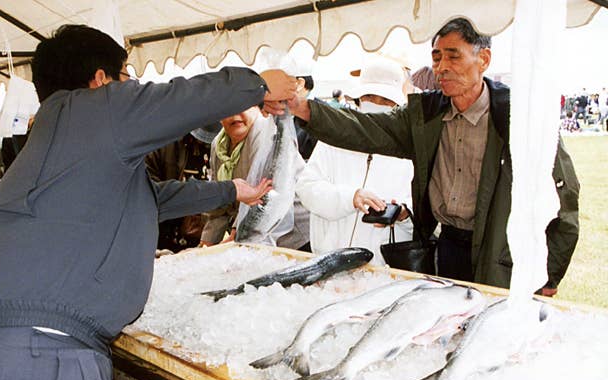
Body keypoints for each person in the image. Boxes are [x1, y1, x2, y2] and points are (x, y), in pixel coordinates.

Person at [0, 24, 296, 380]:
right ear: (102, 80)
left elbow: (148, 198)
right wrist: (259, 84)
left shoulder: (56, 136)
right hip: (47, 360)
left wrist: (230, 191)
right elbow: (184, 97)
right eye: (127, 78)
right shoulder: (92, 108)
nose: (131, 87)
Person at [275, 18, 579, 296]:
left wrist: (550, 276)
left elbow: (564, 196)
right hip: (443, 248)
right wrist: (304, 108)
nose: (442, 66)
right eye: (436, 57)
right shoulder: (426, 115)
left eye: (453, 55)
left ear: (483, 59)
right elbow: (366, 127)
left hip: (499, 251)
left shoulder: (520, 116)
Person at [296, 57, 414, 265]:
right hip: (327, 261)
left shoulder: (409, 148)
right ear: (359, 99)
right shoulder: (333, 138)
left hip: (383, 268)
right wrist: (350, 198)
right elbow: (306, 188)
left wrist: (403, 214)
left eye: (386, 100)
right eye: (370, 96)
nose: (377, 105)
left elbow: (424, 211)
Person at [200, 105, 310, 250]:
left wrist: (237, 236)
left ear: (257, 108)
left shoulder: (265, 133)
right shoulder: (218, 145)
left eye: (243, 106)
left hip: (295, 235)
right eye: (228, 108)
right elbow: (219, 203)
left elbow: (261, 194)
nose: (235, 115)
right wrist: (207, 242)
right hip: (254, 235)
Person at [145, 123, 220, 252]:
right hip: (162, 245)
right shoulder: (161, 142)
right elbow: (146, 197)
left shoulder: (232, 140)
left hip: (213, 246)